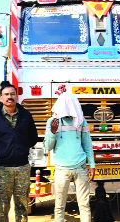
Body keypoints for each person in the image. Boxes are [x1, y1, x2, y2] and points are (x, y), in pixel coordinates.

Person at [0, 81, 38, 222]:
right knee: (1, 210)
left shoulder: (26, 115)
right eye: (6, 94)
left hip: (22, 169)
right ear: (1, 98)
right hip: (1, 170)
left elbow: (33, 138)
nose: (9, 97)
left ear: (17, 96)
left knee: (22, 208)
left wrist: (20, 146)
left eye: (12, 94)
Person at [43, 93, 95, 222]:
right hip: (61, 170)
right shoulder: (52, 121)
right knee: (59, 207)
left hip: (81, 168)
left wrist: (92, 165)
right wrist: (52, 132)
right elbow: (48, 147)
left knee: (84, 205)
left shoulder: (81, 121)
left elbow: (87, 144)